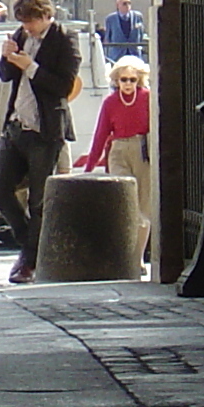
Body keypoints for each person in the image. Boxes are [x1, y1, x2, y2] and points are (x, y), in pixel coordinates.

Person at [0, 0, 79, 285]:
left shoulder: (65, 39)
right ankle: (32, 245)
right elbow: (5, 77)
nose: (26, 27)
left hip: (44, 130)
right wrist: (7, 58)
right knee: (0, 190)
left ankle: (28, 261)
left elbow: (64, 87)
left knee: (39, 199)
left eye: (31, 21)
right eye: (22, 21)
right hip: (15, 126)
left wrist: (32, 67)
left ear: (44, 15)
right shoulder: (19, 36)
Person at [79, 54, 155, 256]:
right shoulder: (110, 102)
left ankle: (137, 257)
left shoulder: (148, 98)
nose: (128, 84)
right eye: (124, 79)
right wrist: (90, 165)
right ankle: (123, 255)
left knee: (143, 205)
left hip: (142, 149)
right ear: (116, 80)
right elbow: (101, 133)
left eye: (132, 79)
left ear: (139, 79)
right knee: (123, 199)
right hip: (118, 150)